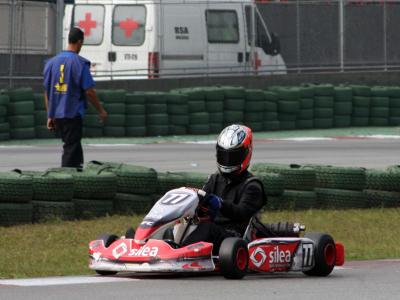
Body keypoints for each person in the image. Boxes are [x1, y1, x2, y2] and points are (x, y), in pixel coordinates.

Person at [181, 124, 267, 253]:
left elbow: (241, 213)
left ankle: (181, 253)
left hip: (234, 238)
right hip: (212, 232)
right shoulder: (214, 179)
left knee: (207, 228)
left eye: (233, 156)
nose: (227, 161)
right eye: (224, 155)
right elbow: (203, 203)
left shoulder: (253, 186)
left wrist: (220, 204)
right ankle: (161, 251)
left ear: (246, 153)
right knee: (176, 229)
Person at [43, 27, 107, 168]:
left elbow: (47, 92)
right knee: (70, 148)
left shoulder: (50, 63)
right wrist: (101, 110)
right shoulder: (80, 63)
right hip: (71, 113)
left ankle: (78, 171)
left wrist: (50, 115)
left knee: (74, 147)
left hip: (57, 115)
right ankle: (66, 179)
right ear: (79, 42)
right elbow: (89, 91)